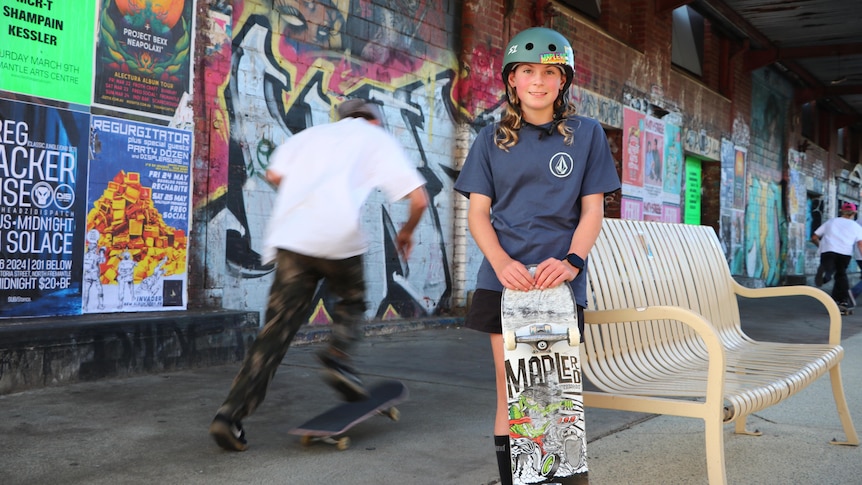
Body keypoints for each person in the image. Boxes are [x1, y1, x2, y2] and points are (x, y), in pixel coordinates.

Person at [209, 98, 429, 452]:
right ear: (372, 120)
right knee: (352, 299)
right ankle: (337, 358)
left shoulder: (310, 136)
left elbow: (274, 174)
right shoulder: (376, 138)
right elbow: (419, 200)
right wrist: (406, 232)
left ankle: (228, 416)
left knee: (275, 333)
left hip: (292, 238)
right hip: (338, 236)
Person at [453, 27, 621, 485]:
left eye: (550, 71)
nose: (538, 81)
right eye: (527, 71)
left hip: (558, 284)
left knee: (553, 394)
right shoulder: (490, 140)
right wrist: (503, 263)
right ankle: (516, 481)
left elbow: (592, 211)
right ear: (511, 79)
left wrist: (572, 262)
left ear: (563, 81)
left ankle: (558, 478)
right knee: (512, 392)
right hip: (504, 284)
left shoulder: (585, 135)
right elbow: (479, 216)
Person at [811, 202, 862, 310]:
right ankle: (842, 301)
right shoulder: (856, 226)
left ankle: (827, 274)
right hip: (845, 253)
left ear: (841, 211)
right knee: (841, 275)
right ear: (854, 213)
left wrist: (820, 246)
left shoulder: (831, 222)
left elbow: (814, 237)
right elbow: (860, 244)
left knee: (829, 267)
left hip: (828, 251)